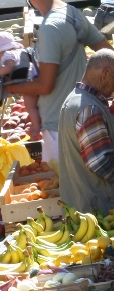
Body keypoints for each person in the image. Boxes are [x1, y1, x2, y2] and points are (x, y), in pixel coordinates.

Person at [5, 0, 110, 162]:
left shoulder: (49, 28)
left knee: (64, 189)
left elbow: (45, 85)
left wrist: (11, 88)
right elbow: (108, 53)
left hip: (60, 125)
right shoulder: (73, 14)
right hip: (88, 116)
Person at [57, 51, 114, 215]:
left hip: (82, 206)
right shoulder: (89, 108)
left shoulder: (74, 99)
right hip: (99, 210)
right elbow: (100, 163)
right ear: (105, 73)